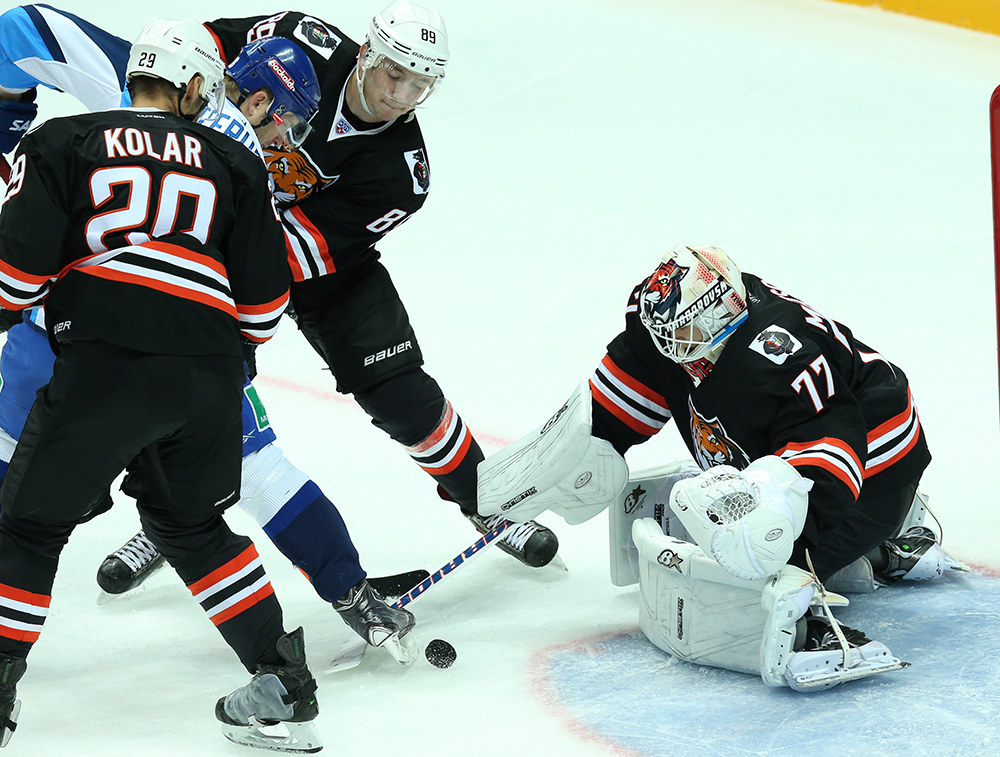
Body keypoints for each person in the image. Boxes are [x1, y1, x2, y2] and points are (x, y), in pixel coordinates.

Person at [0, 3, 417, 664]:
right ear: (256, 103)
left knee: (16, 499)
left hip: (51, 331)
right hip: (181, 357)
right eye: (291, 122)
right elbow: (260, 304)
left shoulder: (129, 91)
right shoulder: (248, 168)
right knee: (244, 480)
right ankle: (337, 610)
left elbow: (19, 30)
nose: (292, 142)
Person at [0, 18, 320, 750]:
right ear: (196, 87)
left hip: (101, 362)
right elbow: (266, 311)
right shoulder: (238, 165)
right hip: (208, 375)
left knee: (25, 527)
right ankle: (282, 686)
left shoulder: (62, 142)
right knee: (191, 527)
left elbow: (14, 276)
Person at [474, 243, 966, 691]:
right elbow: (619, 400)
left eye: (688, 334)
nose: (677, 349)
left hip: (873, 460)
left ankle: (865, 560)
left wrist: (788, 554)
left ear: (728, 310)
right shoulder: (663, 325)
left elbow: (827, 461)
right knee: (735, 507)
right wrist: (572, 458)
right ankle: (862, 551)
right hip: (785, 443)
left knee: (760, 537)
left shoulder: (781, 354)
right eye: (669, 335)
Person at [201, 2, 559, 568]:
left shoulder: (403, 171)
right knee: (187, 376)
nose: (401, 96)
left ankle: (483, 498)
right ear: (368, 53)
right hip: (216, 231)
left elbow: (293, 254)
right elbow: (199, 49)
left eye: (420, 85)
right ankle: (176, 513)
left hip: (317, 264)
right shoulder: (303, 41)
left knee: (401, 391)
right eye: (395, 74)